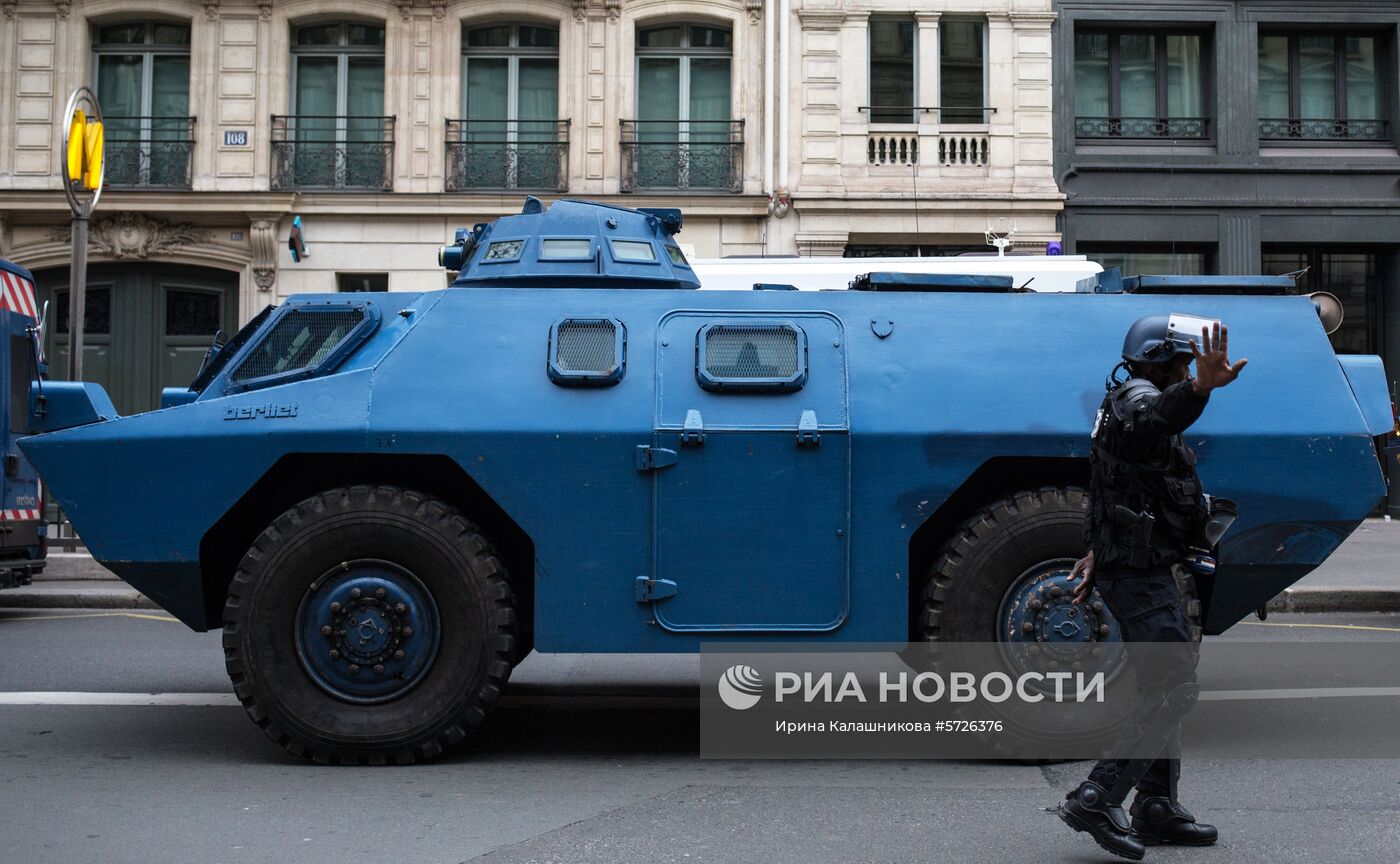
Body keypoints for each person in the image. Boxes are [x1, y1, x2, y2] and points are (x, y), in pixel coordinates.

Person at [1056, 316, 1247, 861]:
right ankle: (1097, 796)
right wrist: (1199, 389)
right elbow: (1158, 415)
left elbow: (1106, 483)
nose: (1188, 369)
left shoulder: (1123, 406)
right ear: (1155, 362)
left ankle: (1156, 805)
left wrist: (1097, 549)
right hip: (1137, 575)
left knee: (1160, 682)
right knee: (1173, 686)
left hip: (1140, 565)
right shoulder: (1138, 400)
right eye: (1181, 363)